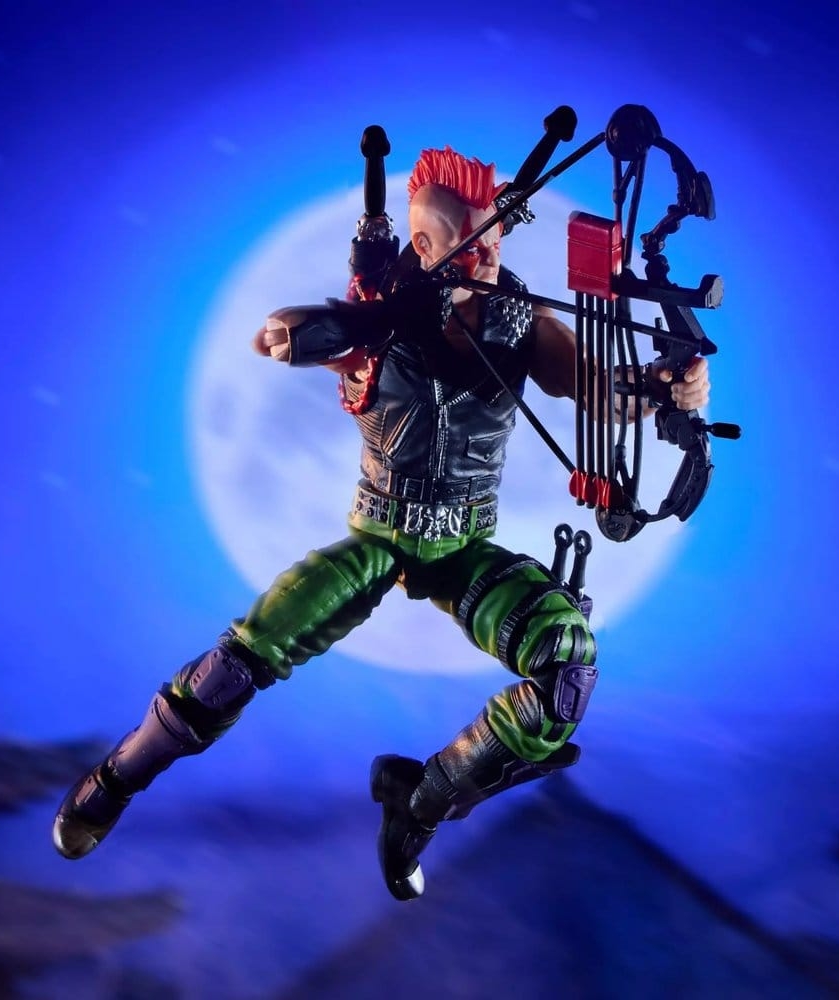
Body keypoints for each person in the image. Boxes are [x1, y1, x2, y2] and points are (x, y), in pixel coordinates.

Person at [52, 146, 710, 900]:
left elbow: (599, 393)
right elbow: (293, 334)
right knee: (236, 664)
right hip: (378, 537)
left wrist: (664, 387)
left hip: (463, 547)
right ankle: (116, 778)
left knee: (567, 670)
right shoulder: (382, 315)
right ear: (423, 245)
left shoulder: (519, 319)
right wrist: (329, 328)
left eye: (495, 241)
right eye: (469, 245)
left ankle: (418, 805)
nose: (488, 258)